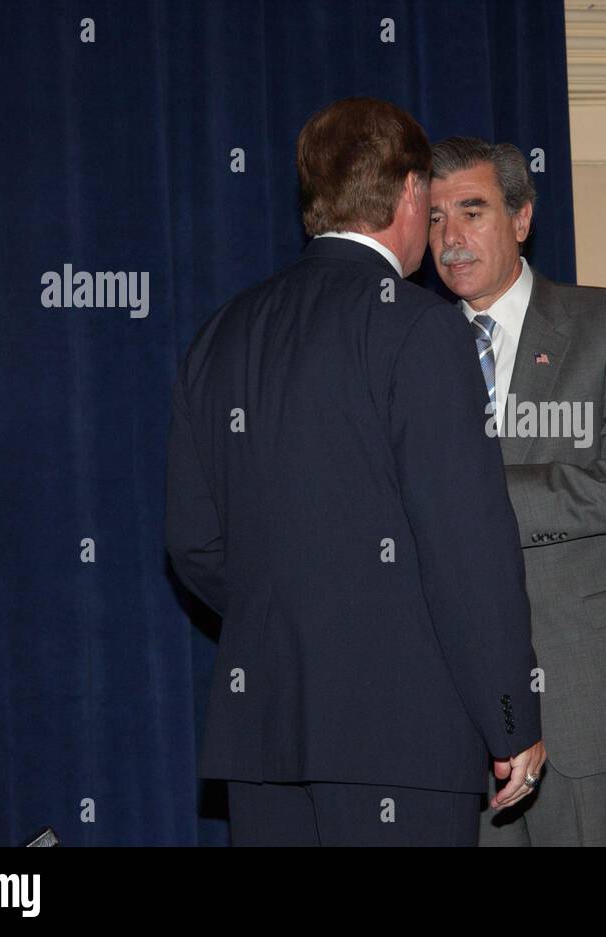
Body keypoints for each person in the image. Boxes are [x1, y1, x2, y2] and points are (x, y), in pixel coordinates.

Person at [164, 100, 544, 846]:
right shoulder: (420, 327)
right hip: (402, 738)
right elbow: (466, 547)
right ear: (408, 194)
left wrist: (294, 615)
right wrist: (512, 714)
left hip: (265, 734)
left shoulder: (221, 333)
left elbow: (192, 542)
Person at [428, 136, 606, 846]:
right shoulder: (408, 347)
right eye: (435, 217)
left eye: (472, 211)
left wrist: (480, 499)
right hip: (457, 715)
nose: (450, 238)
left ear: (521, 218)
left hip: (587, 704)